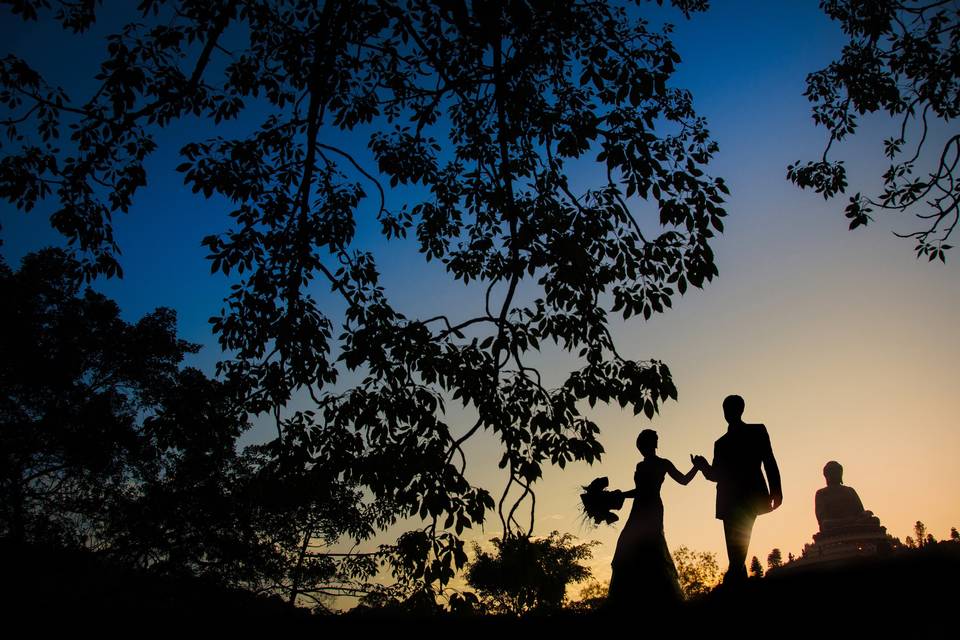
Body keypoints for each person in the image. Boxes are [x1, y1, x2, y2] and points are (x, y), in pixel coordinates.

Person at [605, 429, 699, 611]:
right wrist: (620, 495)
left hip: (652, 508)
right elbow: (639, 490)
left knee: (651, 548)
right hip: (638, 508)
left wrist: (696, 466)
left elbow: (684, 480)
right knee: (626, 544)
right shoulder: (640, 466)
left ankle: (657, 597)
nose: (641, 449)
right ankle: (632, 597)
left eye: (643, 445)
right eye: (639, 446)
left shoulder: (663, 463)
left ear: (651, 445)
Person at [693, 395, 781, 584]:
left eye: (731, 408)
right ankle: (737, 580)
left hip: (749, 496)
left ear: (740, 410)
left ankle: (732, 579)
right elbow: (715, 474)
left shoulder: (757, 431)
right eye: (725, 409)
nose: (728, 413)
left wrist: (776, 490)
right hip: (728, 500)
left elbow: (769, 460)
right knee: (735, 549)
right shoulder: (720, 443)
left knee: (738, 548)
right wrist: (702, 466)